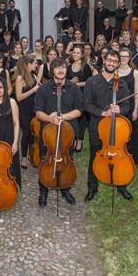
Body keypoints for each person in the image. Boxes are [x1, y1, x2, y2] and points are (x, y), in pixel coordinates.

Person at [82, 50, 133, 202]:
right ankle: (92, 187)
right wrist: (102, 113)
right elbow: (86, 105)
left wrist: (120, 109)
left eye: (114, 61)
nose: (111, 63)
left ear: (118, 64)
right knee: (95, 156)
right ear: (104, 61)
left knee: (118, 158)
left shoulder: (121, 83)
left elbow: (126, 105)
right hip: (97, 127)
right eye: (109, 60)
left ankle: (121, 185)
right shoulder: (92, 81)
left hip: (116, 129)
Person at [34, 59, 83, 206]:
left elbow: (79, 110)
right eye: (57, 68)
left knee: (66, 162)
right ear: (52, 70)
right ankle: (43, 190)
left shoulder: (74, 88)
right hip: (48, 135)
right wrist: (50, 118)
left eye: (63, 67)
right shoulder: (44, 88)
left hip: (68, 135)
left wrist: (63, 117)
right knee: (45, 161)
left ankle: (65, 188)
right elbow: (38, 112)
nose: (60, 70)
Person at [15, 55, 41, 168]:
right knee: (26, 133)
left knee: (33, 133)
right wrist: (33, 90)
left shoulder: (34, 76)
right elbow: (19, 97)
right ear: (28, 64)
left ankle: (32, 155)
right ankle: (23, 158)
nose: (36, 65)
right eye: (34, 63)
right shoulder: (20, 78)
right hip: (24, 110)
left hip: (33, 109)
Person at [117, 48, 138, 165]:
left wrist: (136, 109)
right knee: (118, 131)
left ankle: (132, 158)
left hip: (131, 105)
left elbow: (137, 92)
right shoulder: (114, 71)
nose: (123, 59)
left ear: (129, 57)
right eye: (121, 56)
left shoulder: (135, 72)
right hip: (118, 105)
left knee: (131, 132)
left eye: (126, 56)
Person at [67, 44, 92, 152]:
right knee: (73, 118)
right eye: (74, 52)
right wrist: (71, 82)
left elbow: (90, 82)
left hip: (83, 95)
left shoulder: (85, 66)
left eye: (78, 53)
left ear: (81, 55)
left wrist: (80, 84)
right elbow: (66, 81)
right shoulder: (68, 67)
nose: (75, 54)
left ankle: (80, 140)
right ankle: (73, 138)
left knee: (81, 117)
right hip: (72, 96)